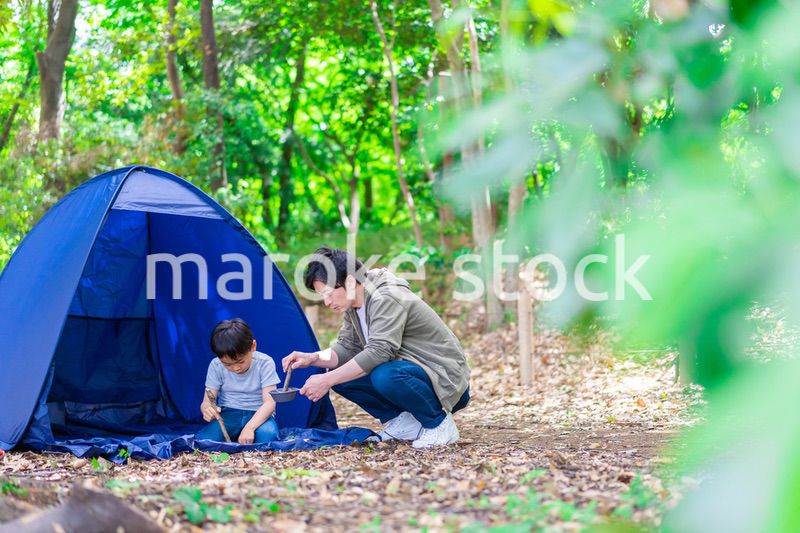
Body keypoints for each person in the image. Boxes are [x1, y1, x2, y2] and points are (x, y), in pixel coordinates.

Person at [283, 247, 470, 448]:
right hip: (413, 373)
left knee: (384, 375)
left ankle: (438, 424)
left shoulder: (386, 295)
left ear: (350, 282)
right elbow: (347, 347)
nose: (327, 302)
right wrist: (312, 358)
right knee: (338, 373)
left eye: (329, 294)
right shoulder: (354, 304)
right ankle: (404, 420)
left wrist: (326, 380)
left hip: (445, 379)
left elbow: (380, 351)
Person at [196, 318, 281, 444]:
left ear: (253, 346)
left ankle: (245, 434)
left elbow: (270, 403)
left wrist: (250, 428)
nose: (235, 368)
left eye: (240, 361)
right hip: (228, 413)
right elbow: (207, 401)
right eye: (227, 365)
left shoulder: (265, 363)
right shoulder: (216, 365)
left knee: (268, 437)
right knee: (204, 441)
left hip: (259, 414)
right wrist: (207, 409)